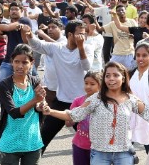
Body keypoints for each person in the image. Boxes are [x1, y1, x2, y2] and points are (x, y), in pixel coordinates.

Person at [22, 20, 96, 151]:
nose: (83, 37)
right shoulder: (57, 48)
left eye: (84, 34)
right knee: (43, 137)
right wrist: (29, 34)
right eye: (79, 34)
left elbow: (87, 66)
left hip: (81, 104)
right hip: (61, 101)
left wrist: (80, 48)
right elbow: (37, 45)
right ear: (70, 34)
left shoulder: (87, 47)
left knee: (91, 139)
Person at [65, 71, 123, 165]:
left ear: (100, 85)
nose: (88, 87)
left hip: (100, 148)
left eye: (92, 84)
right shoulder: (78, 101)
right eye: (86, 83)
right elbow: (69, 120)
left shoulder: (107, 103)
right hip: (79, 145)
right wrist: (69, 119)